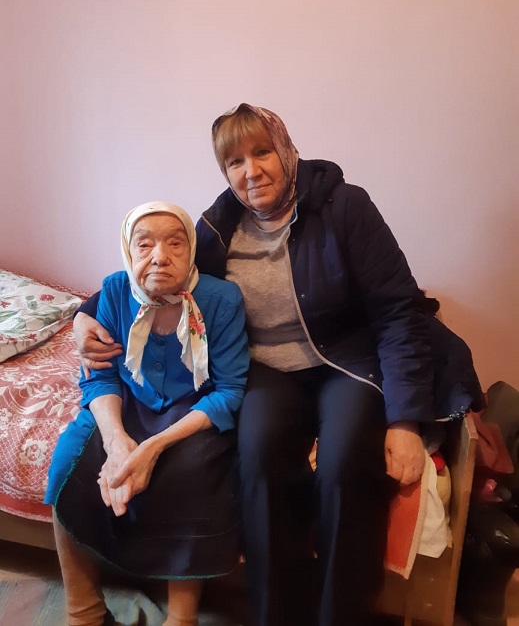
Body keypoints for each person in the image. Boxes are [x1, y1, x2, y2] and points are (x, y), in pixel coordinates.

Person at [73, 105, 446, 626]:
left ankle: (341, 615)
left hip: (345, 363)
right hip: (267, 368)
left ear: (288, 149)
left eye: (262, 152)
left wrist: (405, 421)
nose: (251, 171)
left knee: (344, 464)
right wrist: (84, 315)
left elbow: (397, 309)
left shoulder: (345, 206)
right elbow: (161, 271)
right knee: (259, 457)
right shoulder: (219, 224)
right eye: (235, 161)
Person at [45, 202, 249, 626]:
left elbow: (229, 390)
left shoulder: (222, 299)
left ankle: (181, 617)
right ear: (128, 251)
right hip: (125, 403)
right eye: (145, 245)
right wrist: (116, 441)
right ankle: (83, 611)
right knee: (66, 460)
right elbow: (99, 377)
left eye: (175, 243)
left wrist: (153, 447)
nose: (160, 256)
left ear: (192, 250)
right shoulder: (115, 291)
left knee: (192, 472)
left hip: (193, 410)